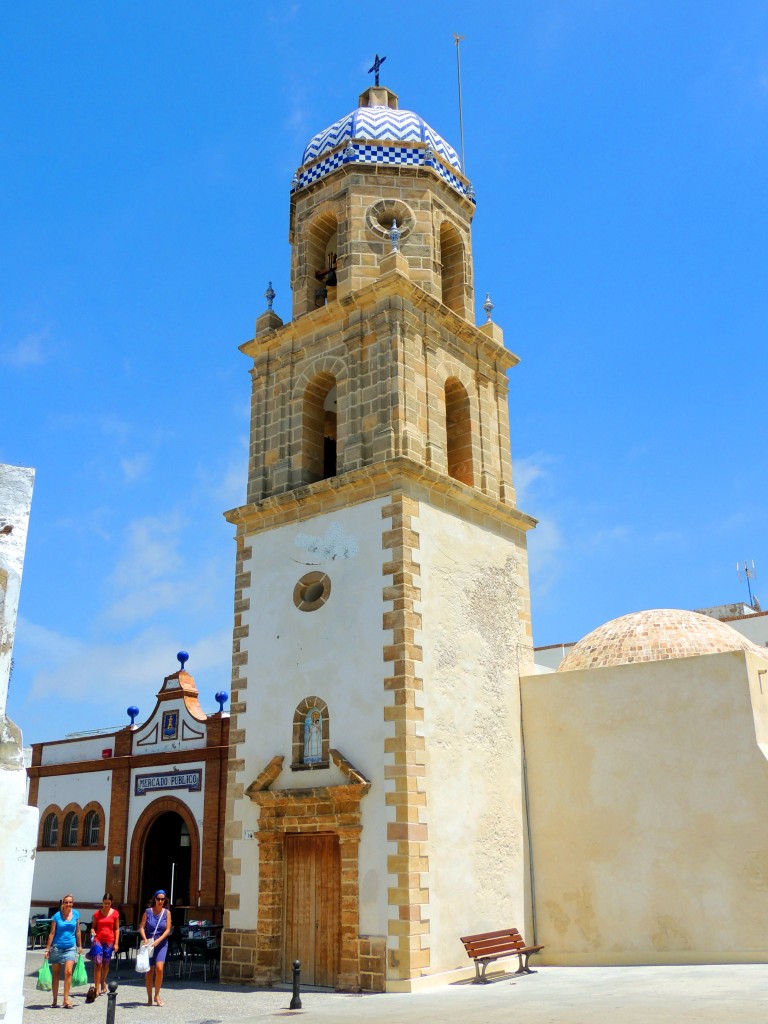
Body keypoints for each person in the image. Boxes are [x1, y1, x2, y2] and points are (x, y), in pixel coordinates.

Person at [43, 894, 82, 1009]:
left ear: (72, 903)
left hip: (70, 947)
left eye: (70, 902)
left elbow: (78, 931)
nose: (68, 904)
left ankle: (66, 999)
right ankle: (55, 999)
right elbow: (52, 933)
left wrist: (80, 945)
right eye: (66, 902)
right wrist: (47, 949)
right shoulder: (57, 916)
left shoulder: (76, 914)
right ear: (63, 904)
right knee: (56, 974)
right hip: (57, 947)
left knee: (68, 972)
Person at [139, 890, 172, 1006]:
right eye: (158, 899)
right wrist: (145, 938)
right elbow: (141, 927)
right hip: (149, 943)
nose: (160, 901)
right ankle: (149, 997)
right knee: (149, 971)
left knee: (159, 968)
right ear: (155, 899)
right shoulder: (148, 912)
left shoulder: (167, 913)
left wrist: (159, 940)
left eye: (162, 899)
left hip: (161, 943)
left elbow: (168, 929)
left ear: (165, 900)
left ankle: (157, 995)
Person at [89, 893, 119, 995]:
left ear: (111, 903)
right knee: (98, 964)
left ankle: (103, 981)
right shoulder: (97, 914)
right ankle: (97, 987)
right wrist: (92, 930)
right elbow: (93, 927)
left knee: (106, 964)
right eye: (105, 903)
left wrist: (116, 943)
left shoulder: (115, 914)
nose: (106, 905)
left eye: (108, 903)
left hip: (109, 941)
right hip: (98, 940)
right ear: (102, 902)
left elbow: (116, 929)